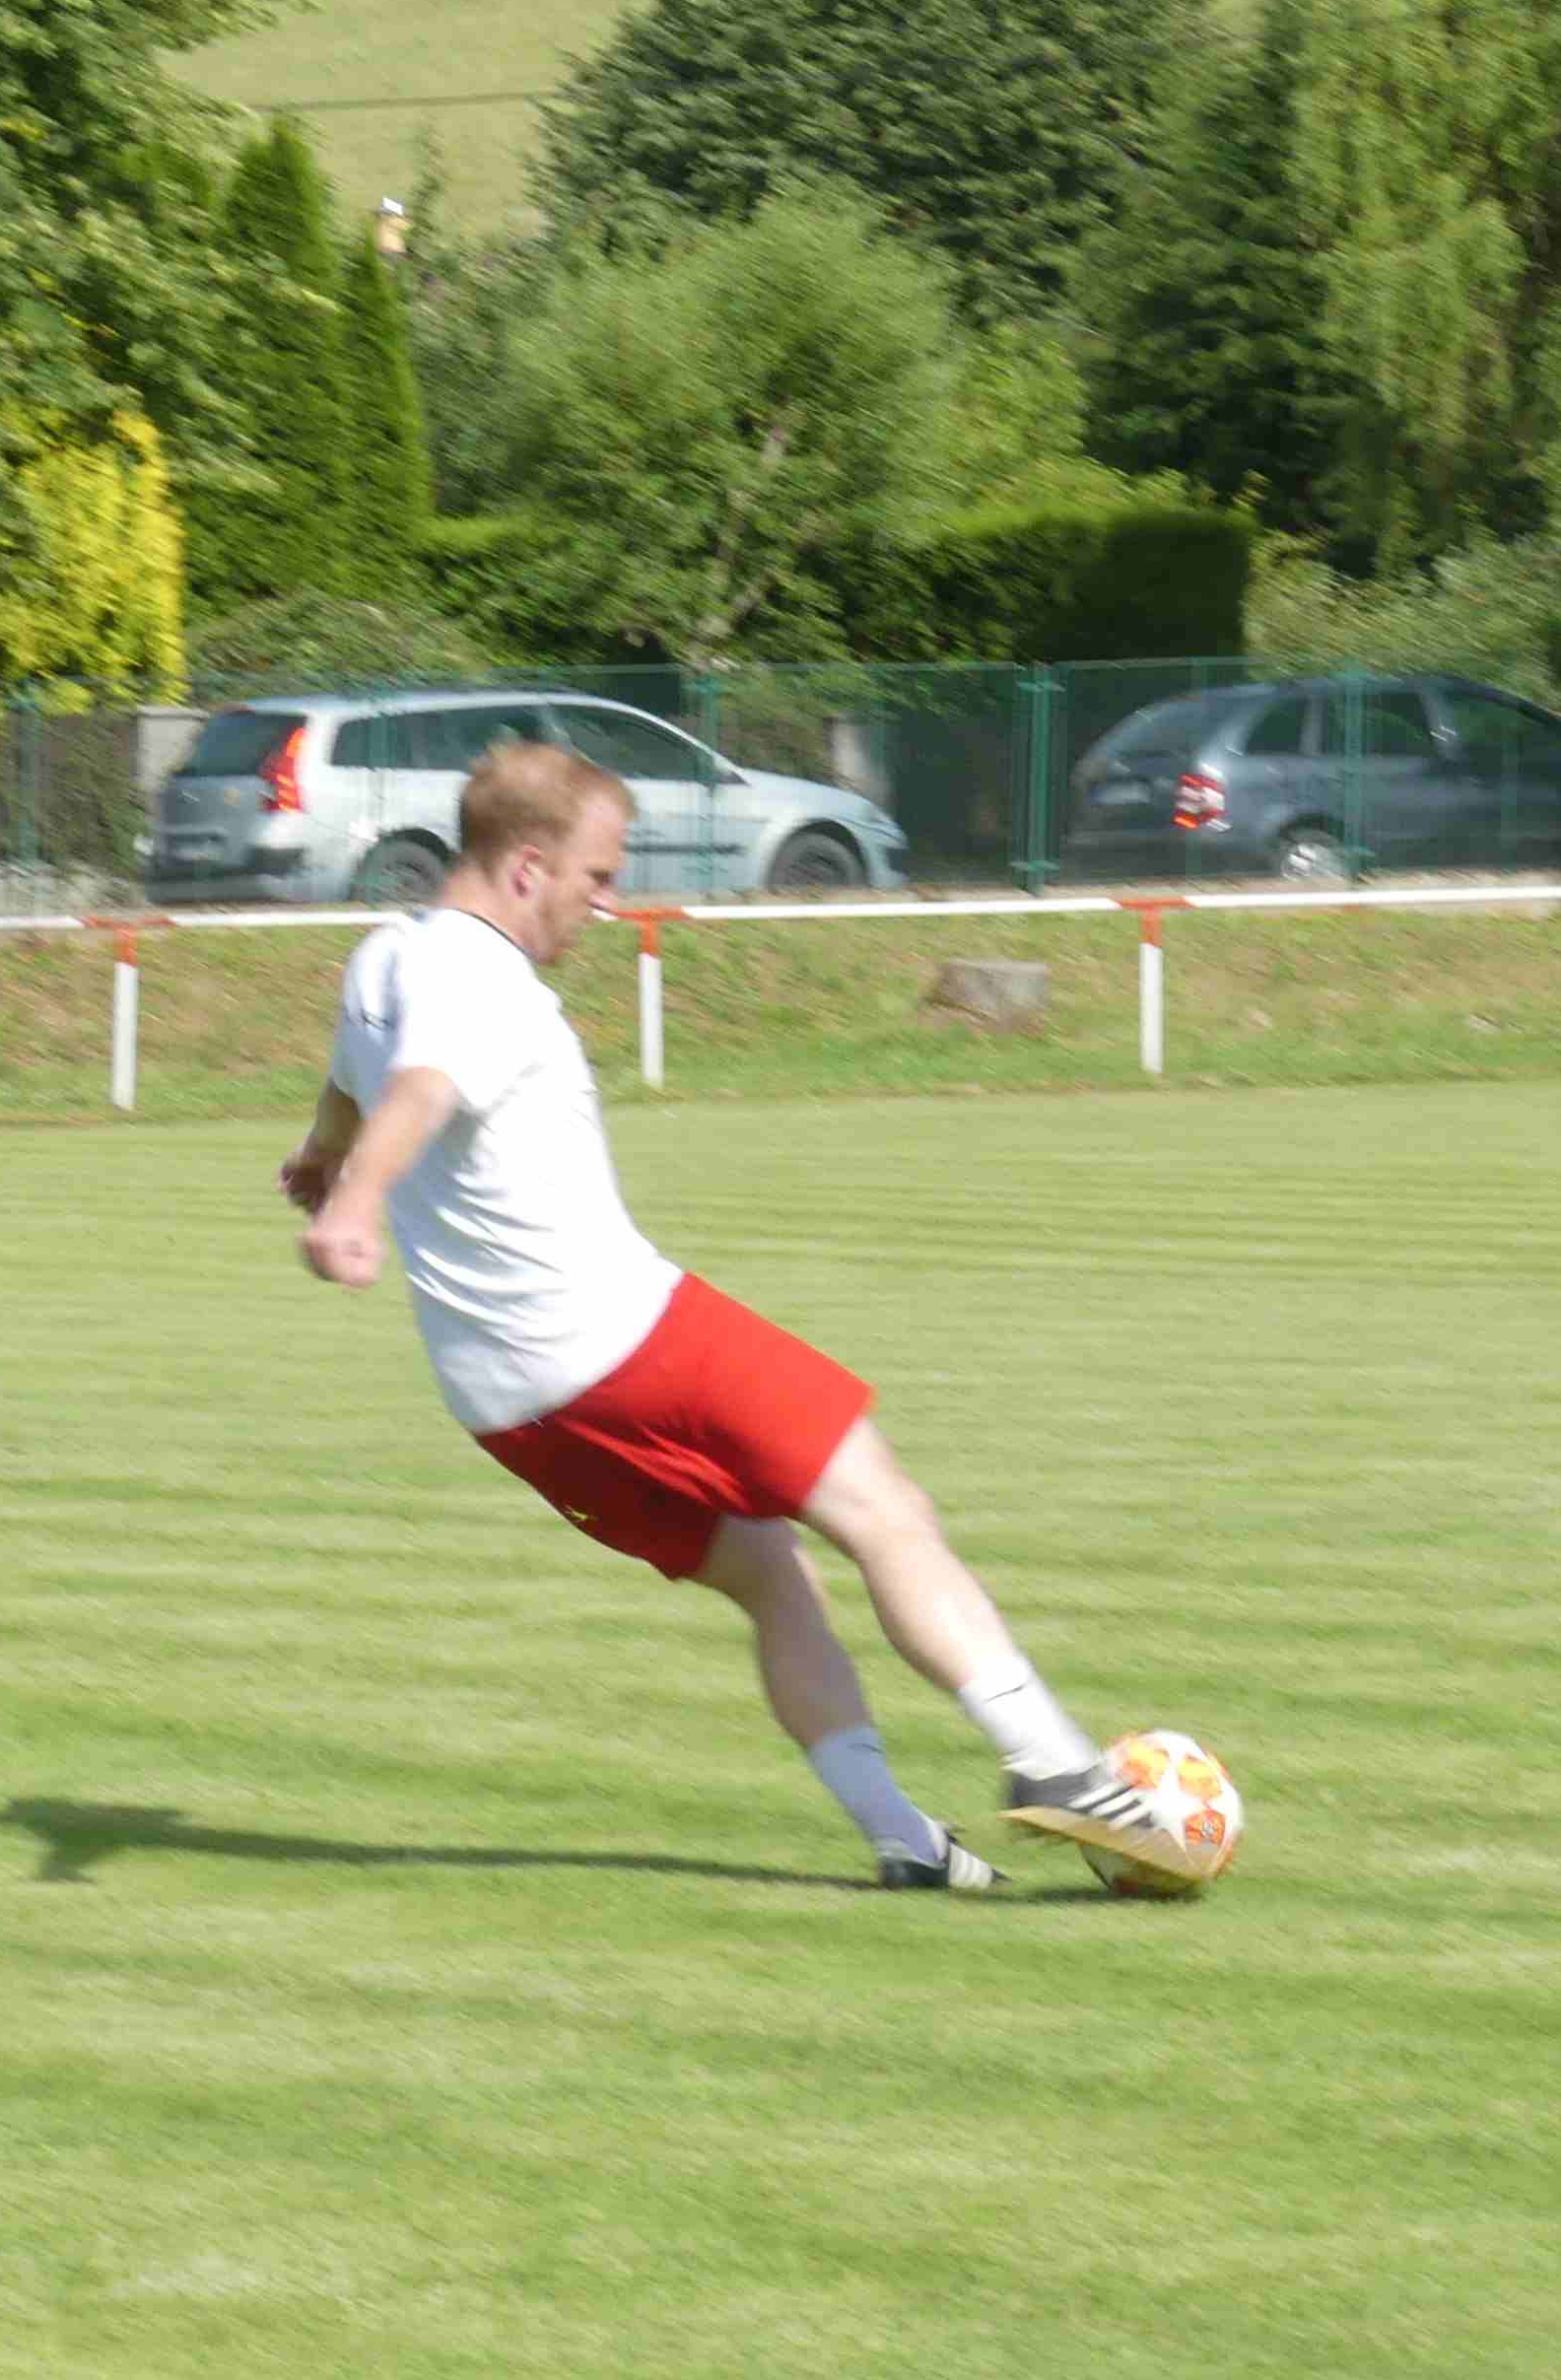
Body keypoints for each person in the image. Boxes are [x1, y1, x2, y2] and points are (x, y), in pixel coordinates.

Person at [280, 739, 1197, 1890]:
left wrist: (320, 1158)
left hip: (508, 1407)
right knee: (884, 1508)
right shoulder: (479, 978)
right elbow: (418, 1092)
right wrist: (355, 1201)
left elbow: (354, 1084)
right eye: (596, 876)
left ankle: (903, 1841)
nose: (606, 903)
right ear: (525, 868)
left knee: (771, 1573)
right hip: (622, 1339)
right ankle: (1052, 1762)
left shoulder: (387, 955)